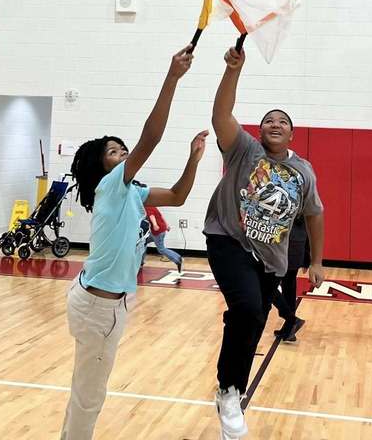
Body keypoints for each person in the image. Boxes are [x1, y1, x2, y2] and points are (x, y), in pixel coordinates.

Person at [60, 45, 206, 440]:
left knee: (86, 390)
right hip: (97, 307)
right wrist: (172, 77)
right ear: (101, 166)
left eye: (122, 149)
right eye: (114, 152)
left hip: (108, 302)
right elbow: (151, 137)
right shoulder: (110, 186)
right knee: (90, 395)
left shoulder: (132, 192)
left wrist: (193, 159)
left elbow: (177, 196)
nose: (122, 153)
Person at [205, 46, 325, 439]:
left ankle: (230, 384)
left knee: (252, 318)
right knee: (248, 309)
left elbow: (315, 213)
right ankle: (229, 391)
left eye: (283, 121)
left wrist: (318, 261)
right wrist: (232, 71)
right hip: (228, 240)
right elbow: (221, 115)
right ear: (259, 130)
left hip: (271, 259)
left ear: (292, 133)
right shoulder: (244, 149)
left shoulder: (303, 170)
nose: (275, 123)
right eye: (268, 120)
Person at [270, 214, 310, 342]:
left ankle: (291, 320)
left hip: (284, 245)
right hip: (297, 245)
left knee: (266, 284)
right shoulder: (303, 198)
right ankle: (289, 329)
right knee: (289, 287)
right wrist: (306, 257)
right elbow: (310, 224)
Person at [143, 204, 184, 273]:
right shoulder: (153, 206)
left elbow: (151, 216)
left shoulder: (147, 207)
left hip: (158, 231)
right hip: (160, 230)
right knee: (144, 241)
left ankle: (177, 259)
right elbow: (161, 216)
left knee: (161, 249)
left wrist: (155, 225)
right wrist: (167, 225)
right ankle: (141, 262)